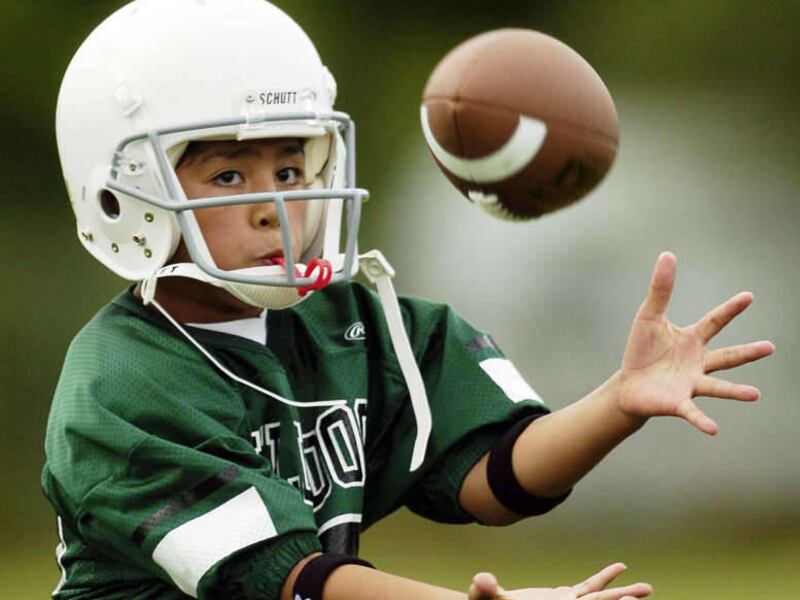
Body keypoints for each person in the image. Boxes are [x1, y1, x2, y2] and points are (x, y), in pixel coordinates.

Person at [42, 1, 774, 599]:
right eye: (230, 177)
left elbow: (494, 478)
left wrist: (618, 402)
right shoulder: (120, 381)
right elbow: (289, 579)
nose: (279, 208)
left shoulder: (358, 325)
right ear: (122, 195)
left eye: (292, 168)